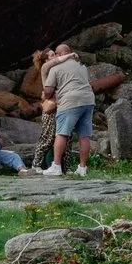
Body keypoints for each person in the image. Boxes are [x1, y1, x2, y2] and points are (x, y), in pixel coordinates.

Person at [38, 42, 95, 177]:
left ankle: (56, 166)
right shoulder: (82, 66)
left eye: (56, 54)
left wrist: (47, 95)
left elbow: (48, 90)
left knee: (62, 133)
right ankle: (82, 168)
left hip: (70, 102)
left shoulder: (55, 69)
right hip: (88, 101)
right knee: (84, 135)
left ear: (60, 54)